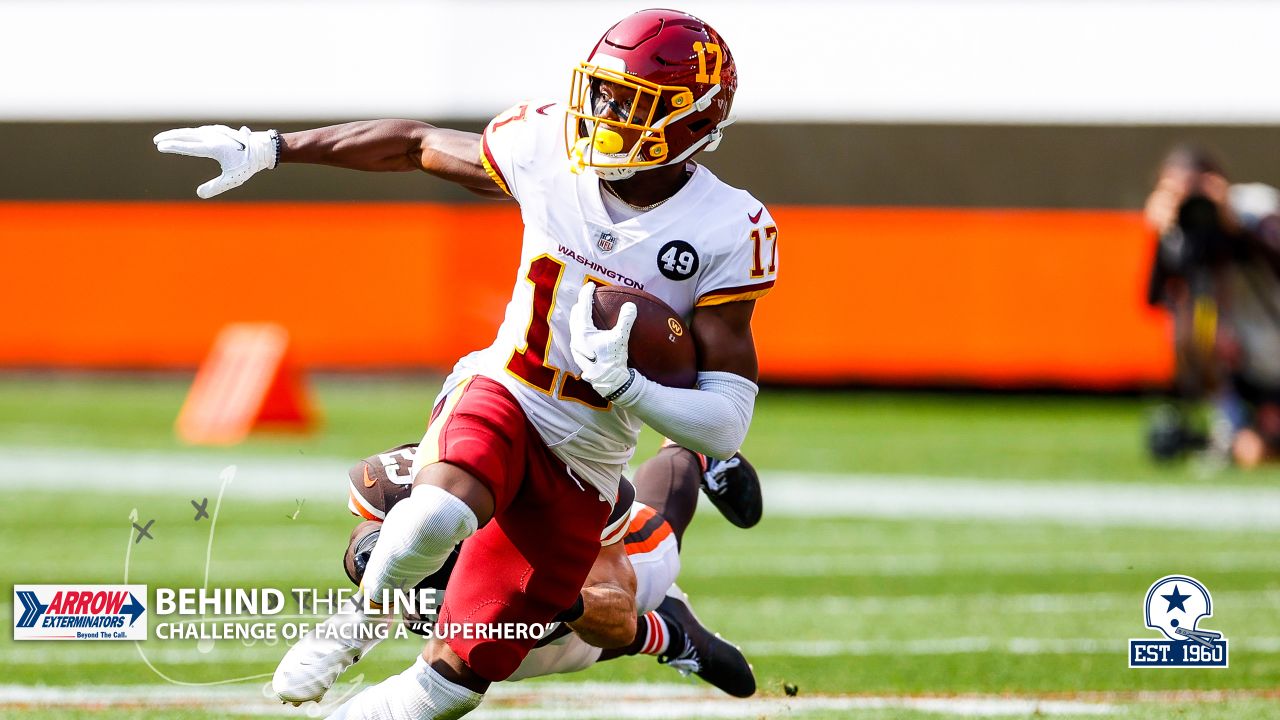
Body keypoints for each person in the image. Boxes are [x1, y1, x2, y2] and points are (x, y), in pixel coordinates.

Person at [156, 9, 777, 719]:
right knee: (430, 515)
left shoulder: (729, 226)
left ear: (695, 119)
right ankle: (359, 621)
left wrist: (628, 385)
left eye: (634, 102)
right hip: (510, 387)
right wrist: (274, 147)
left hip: (592, 456)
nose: (606, 114)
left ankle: (662, 628)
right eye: (604, 93)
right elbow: (416, 145)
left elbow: (725, 419)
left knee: (448, 690)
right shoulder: (548, 144)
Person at [339, 441, 760, 697]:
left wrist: (556, 598)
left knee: (656, 548)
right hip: (506, 626)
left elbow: (616, 620)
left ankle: (690, 454)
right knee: (498, 657)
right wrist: (375, 556)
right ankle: (666, 633)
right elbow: (364, 532)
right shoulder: (430, 474)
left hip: (588, 563)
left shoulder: (557, 472)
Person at [1144, 144, 1280, 467]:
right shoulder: (1182, 229)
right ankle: (1235, 424)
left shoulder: (1255, 209)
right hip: (1245, 362)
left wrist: (1232, 223)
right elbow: (1154, 298)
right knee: (1189, 319)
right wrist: (1160, 240)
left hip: (1272, 339)